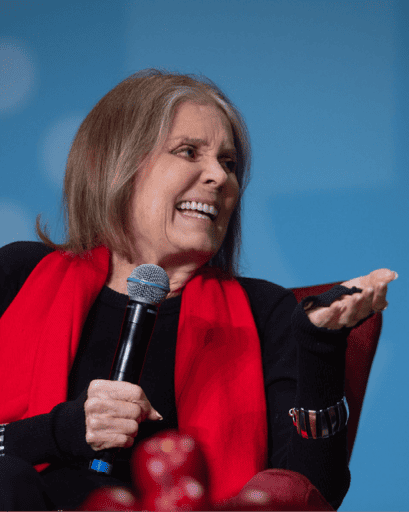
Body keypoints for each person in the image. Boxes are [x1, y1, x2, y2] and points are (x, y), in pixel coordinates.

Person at [0, 69, 396, 511]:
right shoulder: (18, 275)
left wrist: (320, 348)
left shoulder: (268, 312)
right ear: (112, 164)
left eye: (229, 163)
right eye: (189, 152)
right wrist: (63, 431)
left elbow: (310, 492)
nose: (221, 178)